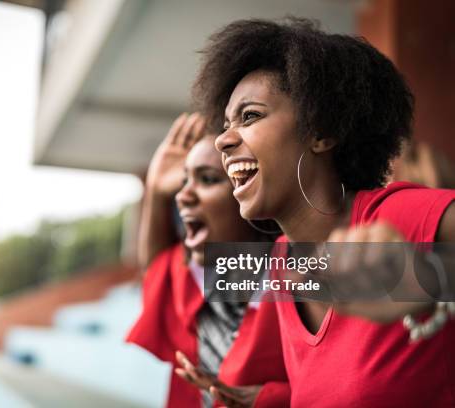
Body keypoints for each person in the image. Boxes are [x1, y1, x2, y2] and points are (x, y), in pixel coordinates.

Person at [192, 17, 455, 407]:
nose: (224, 141)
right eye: (226, 124)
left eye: (250, 116)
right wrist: (268, 401)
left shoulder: (402, 215)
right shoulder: (283, 261)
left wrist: (428, 282)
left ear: (321, 132)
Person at [126, 113, 289, 407]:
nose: (182, 196)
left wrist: (272, 399)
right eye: (183, 180)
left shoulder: (301, 270)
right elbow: (158, 269)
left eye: (208, 179)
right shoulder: (214, 274)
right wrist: (155, 192)